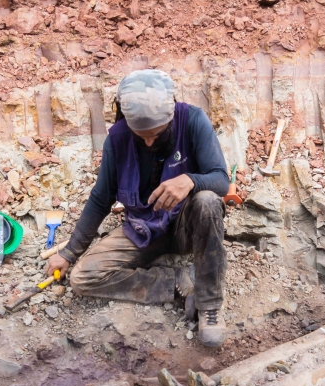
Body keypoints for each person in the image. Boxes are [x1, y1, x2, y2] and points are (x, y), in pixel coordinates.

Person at [45, 69, 232, 347]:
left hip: (186, 228)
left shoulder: (193, 121)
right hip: (143, 229)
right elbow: (100, 199)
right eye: (140, 136)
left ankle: (209, 304)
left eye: (156, 134)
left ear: (170, 118)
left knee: (207, 200)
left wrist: (190, 180)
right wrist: (69, 252)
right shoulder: (118, 139)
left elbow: (221, 180)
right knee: (83, 277)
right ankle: (178, 280)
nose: (149, 142)